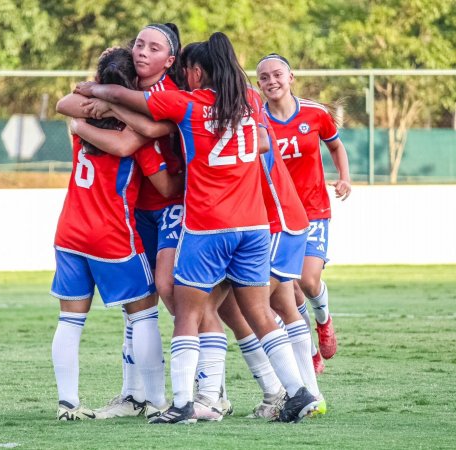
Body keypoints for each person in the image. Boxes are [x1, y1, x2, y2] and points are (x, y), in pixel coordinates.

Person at [75, 32, 320, 424]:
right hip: (254, 227)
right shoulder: (247, 101)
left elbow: (134, 106)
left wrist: (97, 91)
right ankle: (297, 392)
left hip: (208, 227)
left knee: (187, 313)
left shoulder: (188, 104)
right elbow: (261, 141)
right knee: (259, 313)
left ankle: (184, 403)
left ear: (194, 71)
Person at [58, 23, 185, 419]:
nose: (143, 51)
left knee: (69, 321)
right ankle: (156, 400)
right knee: (143, 313)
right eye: (139, 46)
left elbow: (66, 104)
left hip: (69, 231)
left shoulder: (83, 128)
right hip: (112, 232)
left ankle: (67, 403)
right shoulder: (132, 134)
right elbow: (133, 145)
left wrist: (84, 118)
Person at [218, 105, 325, 419]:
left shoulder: (237, 110)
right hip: (279, 220)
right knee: (283, 304)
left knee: (254, 307)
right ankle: (310, 394)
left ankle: (287, 393)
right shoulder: (248, 105)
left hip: (276, 222)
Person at [257, 54, 351, 372]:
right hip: (276, 214)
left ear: (291, 77)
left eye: (277, 74)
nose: (272, 81)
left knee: (308, 281)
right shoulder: (257, 120)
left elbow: (335, 146)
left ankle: (324, 321)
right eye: (264, 77)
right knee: (287, 288)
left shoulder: (315, 113)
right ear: (259, 84)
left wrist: (344, 178)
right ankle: (309, 351)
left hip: (313, 209)